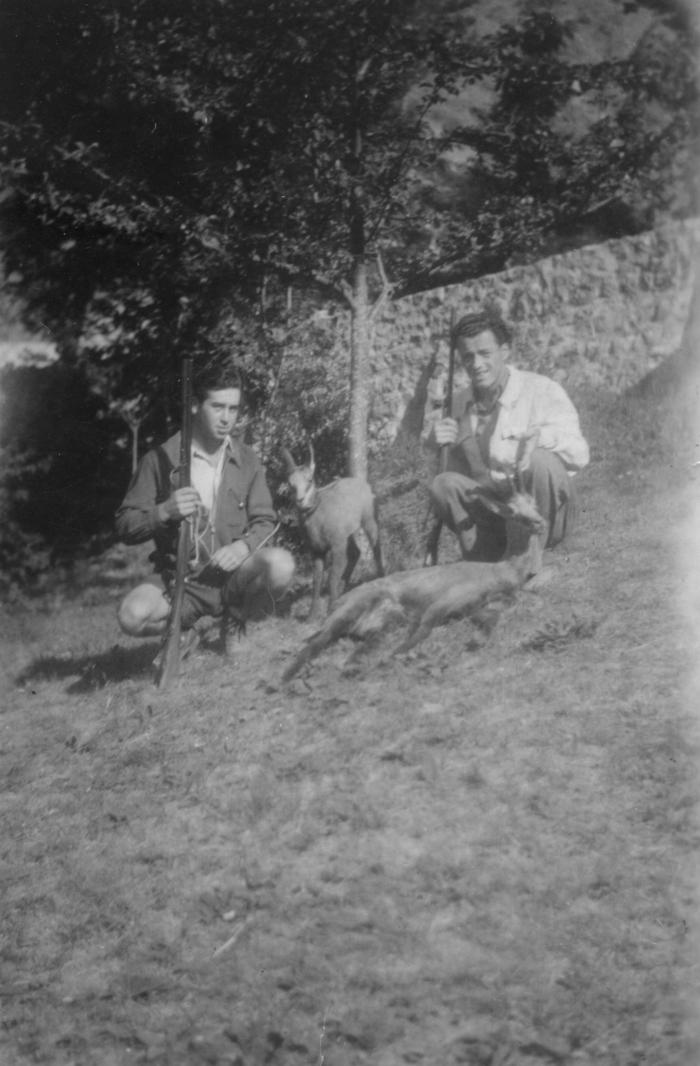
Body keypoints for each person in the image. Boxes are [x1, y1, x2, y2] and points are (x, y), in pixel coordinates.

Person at [115, 366, 295, 653]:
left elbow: (265, 521)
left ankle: (235, 618)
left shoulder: (247, 459)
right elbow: (125, 524)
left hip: (232, 578)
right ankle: (190, 628)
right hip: (179, 582)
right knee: (131, 616)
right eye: (218, 407)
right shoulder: (160, 459)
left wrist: (243, 548)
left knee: (281, 564)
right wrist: (163, 511)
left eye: (233, 409)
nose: (227, 419)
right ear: (196, 406)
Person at [429, 307, 589, 561]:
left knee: (540, 460)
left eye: (484, 354)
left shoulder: (541, 389)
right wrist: (436, 446)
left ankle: (529, 555)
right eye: (468, 357)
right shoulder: (458, 404)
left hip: (544, 512)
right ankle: (480, 557)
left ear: (504, 351)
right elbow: (452, 479)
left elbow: (579, 454)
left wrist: (540, 438)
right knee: (443, 483)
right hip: (495, 514)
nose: (477, 365)